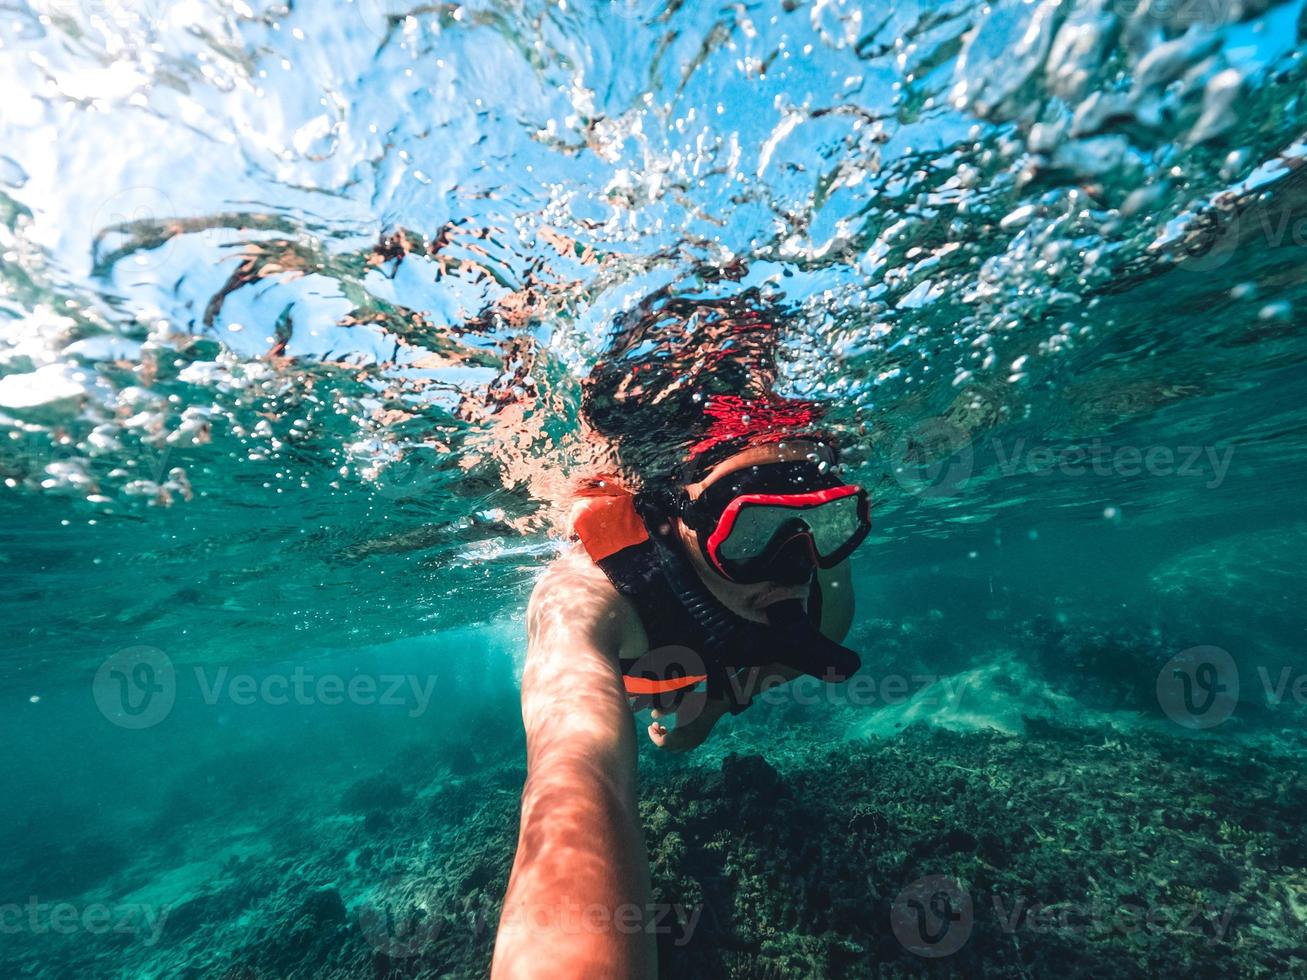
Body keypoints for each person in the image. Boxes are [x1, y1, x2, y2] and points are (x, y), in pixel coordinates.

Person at [490, 293, 871, 979]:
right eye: (750, 526)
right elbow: (576, 769)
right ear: (677, 518)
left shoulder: (823, 595)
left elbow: (785, 640)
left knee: (715, 702)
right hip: (645, 668)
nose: (794, 565)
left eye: (819, 522)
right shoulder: (590, 594)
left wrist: (715, 706)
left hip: (704, 677)